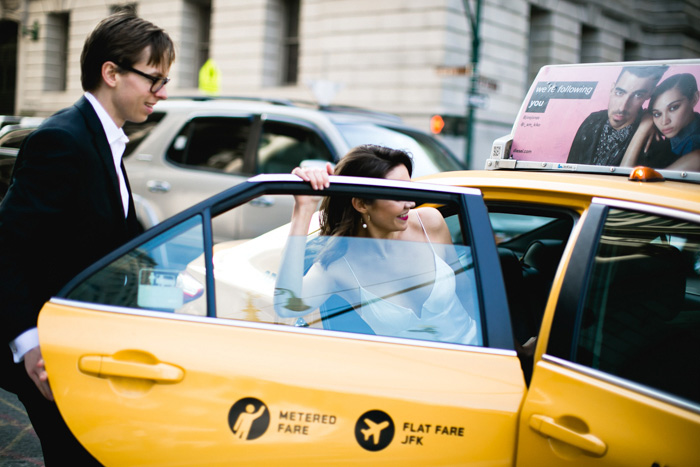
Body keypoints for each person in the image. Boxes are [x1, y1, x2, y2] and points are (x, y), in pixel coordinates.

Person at [0, 11, 175, 464]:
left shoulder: (106, 139)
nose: (162, 92)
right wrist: (28, 343)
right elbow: (8, 246)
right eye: (153, 78)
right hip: (50, 350)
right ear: (111, 73)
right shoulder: (63, 140)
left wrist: (179, 281)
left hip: (86, 341)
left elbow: (118, 238)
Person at [274, 145, 478, 345]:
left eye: (410, 190)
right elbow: (287, 306)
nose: (411, 203)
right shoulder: (338, 266)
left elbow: (467, 293)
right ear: (361, 204)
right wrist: (304, 209)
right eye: (398, 193)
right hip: (412, 373)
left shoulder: (430, 223)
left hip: (482, 359)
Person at [567, 65, 668, 166]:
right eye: (620, 92)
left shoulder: (652, 141)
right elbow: (569, 170)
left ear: (650, 94)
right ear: (612, 89)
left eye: (638, 95)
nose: (622, 107)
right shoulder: (592, 120)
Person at [620, 73, 700, 171]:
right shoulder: (680, 134)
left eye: (673, 108)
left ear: (694, 99)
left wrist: (643, 129)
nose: (664, 121)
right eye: (657, 114)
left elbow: (624, 175)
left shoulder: (695, 150)